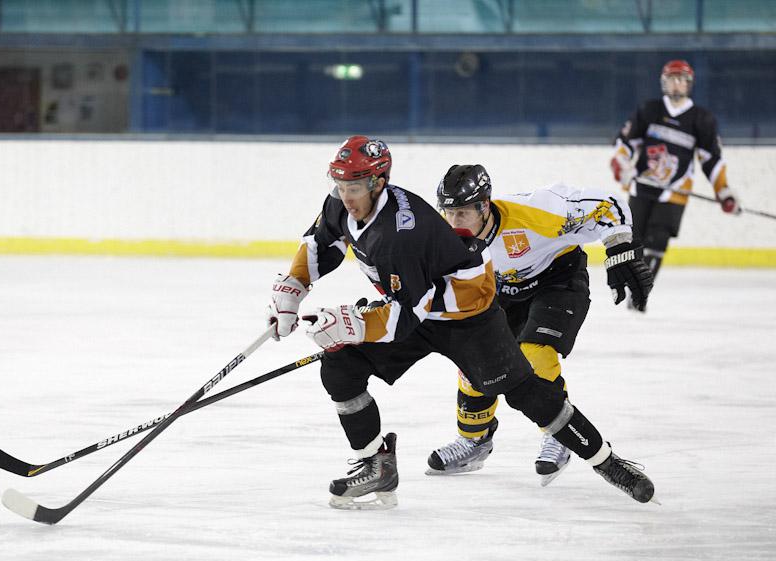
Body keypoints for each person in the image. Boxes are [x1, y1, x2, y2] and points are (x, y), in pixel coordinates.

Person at [265, 135, 656, 510]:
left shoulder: (403, 233)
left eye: (357, 186)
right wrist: (294, 285)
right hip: (423, 304)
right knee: (341, 367)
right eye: (341, 185)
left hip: (469, 315)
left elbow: (404, 318)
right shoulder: (342, 203)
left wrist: (352, 324)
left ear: (379, 182)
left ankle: (607, 462)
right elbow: (320, 241)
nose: (347, 196)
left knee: (527, 392)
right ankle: (376, 466)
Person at [428, 164, 654, 486]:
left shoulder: (538, 211)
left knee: (535, 354)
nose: (453, 223)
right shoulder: (445, 237)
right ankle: (474, 440)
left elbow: (607, 205)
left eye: (462, 213)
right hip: (501, 288)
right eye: (448, 213)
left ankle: (559, 434)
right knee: (473, 358)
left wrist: (620, 250)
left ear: (485, 205)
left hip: (558, 281)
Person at [610, 59, 739, 311]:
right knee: (633, 241)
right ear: (663, 82)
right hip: (642, 187)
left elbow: (711, 160)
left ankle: (639, 294)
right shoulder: (649, 110)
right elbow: (625, 143)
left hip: (675, 191)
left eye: (682, 79)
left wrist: (723, 190)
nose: (677, 84)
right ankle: (631, 283)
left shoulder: (702, 120)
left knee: (658, 240)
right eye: (672, 79)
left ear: (689, 84)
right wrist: (621, 166)